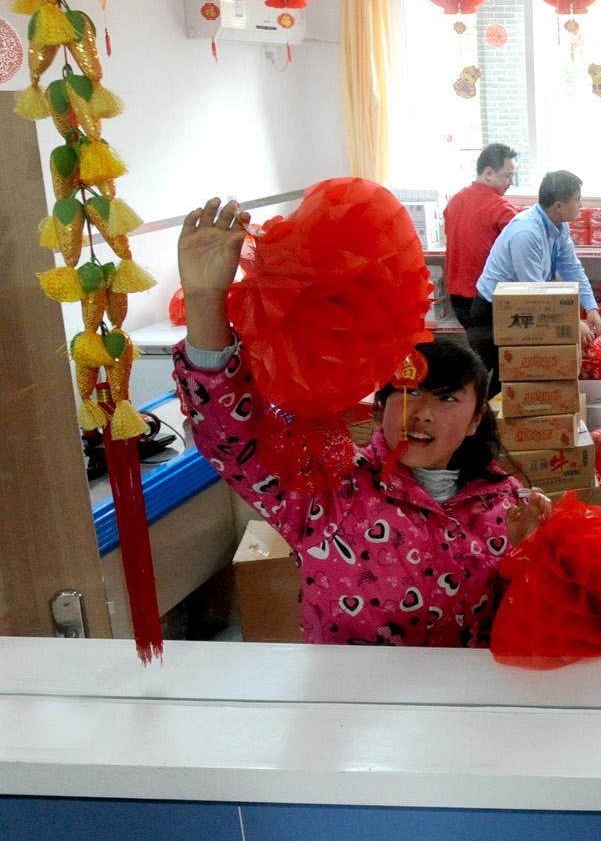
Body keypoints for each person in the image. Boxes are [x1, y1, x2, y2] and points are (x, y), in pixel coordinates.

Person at [172, 198, 551, 647]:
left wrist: (531, 557)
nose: (421, 411)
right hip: (347, 691)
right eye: (407, 392)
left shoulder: (508, 507)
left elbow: (533, 630)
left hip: (465, 692)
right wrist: (205, 301)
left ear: (475, 420)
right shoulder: (327, 490)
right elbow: (233, 438)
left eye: (448, 398)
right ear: (379, 407)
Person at [473, 170, 601, 396]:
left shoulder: (559, 226)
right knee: (503, 376)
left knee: (520, 374)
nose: (581, 206)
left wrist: (591, 307)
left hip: (521, 307)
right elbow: (534, 291)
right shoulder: (526, 232)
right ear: (559, 206)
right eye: (577, 200)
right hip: (493, 310)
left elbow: (572, 268)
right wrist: (572, 322)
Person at [443, 143, 519, 368]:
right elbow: (522, 243)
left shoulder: (455, 200)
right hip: (485, 298)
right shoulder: (500, 208)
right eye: (507, 175)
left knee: (483, 359)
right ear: (488, 173)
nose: (511, 182)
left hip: (457, 295)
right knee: (505, 364)